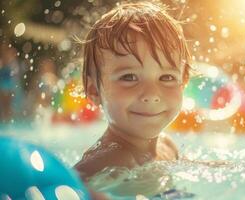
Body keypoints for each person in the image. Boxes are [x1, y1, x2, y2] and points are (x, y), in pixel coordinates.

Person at [74, 1, 191, 182]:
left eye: (167, 77)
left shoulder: (167, 147)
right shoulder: (105, 163)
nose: (152, 95)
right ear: (94, 91)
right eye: (129, 77)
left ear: (183, 83)